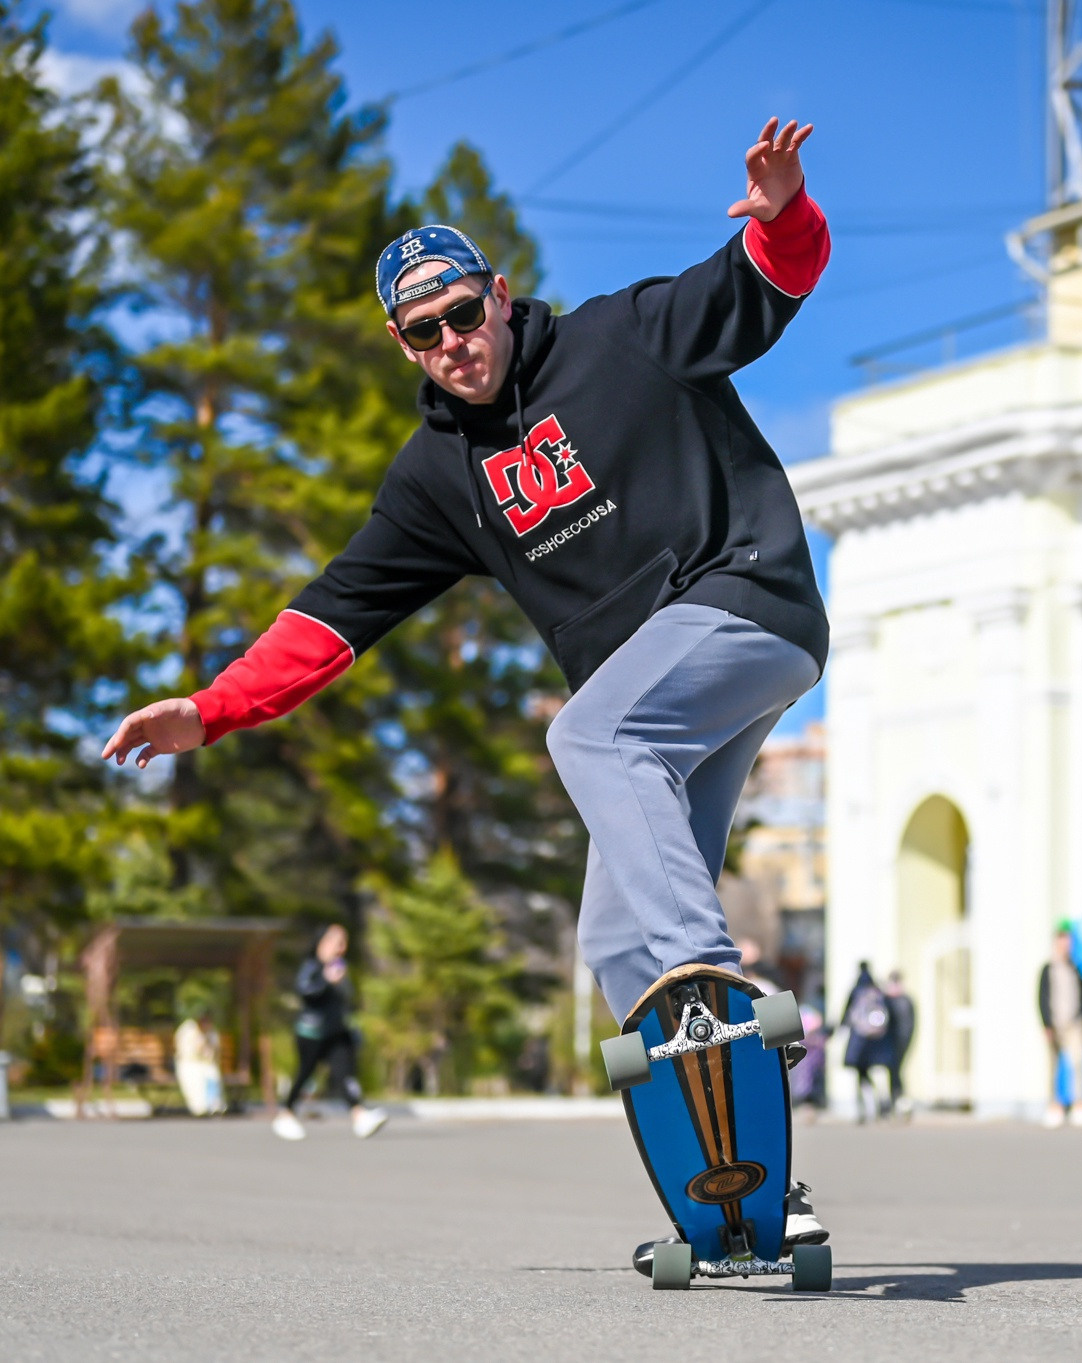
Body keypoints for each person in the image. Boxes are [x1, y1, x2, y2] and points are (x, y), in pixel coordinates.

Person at [103, 118, 833, 1267]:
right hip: (659, 707)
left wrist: (783, 215)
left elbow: (753, 291)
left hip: (749, 604)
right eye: (422, 332)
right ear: (404, 347)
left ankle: (710, 992)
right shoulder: (437, 477)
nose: (453, 343)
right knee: (609, 933)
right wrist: (212, 709)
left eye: (461, 313)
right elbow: (336, 611)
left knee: (591, 736)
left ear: (500, 294)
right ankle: (744, 1193)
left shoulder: (621, 336)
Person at [275, 925, 386, 1141]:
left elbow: (347, 1001)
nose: (341, 948)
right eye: (337, 942)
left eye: (343, 942)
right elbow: (305, 993)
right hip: (312, 1033)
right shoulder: (312, 967)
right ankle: (286, 1113)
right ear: (323, 943)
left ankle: (359, 1115)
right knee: (305, 1073)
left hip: (337, 1032)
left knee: (345, 1074)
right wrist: (326, 981)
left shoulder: (340, 968)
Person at [1037, 926, 1082, 1128]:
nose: (1066, 947)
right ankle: (1054, 1105)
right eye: (1063, 942)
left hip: (1074, 1024)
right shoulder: (1048, 969)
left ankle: (1079, 1105)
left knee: (1078, 1062)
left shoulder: (1075, 969)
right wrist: (1046, 1024)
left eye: (1068, 943)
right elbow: (1041, 998)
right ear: (1056, 943)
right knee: (1053, 1066)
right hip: (1055, 1023)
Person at [841, 961, 897, 1122]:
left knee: (861, 1075)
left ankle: (863, 1109)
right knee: (879, 1072)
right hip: (878, 1039)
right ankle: (884, 1106)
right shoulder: (878, 990)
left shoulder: (857, 990)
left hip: (860, 1040)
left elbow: (846, 1013)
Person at [174, 1008, 226, 1117]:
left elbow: (213, 1051)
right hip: (189, 1064)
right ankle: (200, 1107)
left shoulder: (212, 1033)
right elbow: (185, 1051)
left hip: (206, 1064)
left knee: (213, 1075)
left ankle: (214, 1105)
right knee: (194, 1081)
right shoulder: (188, 1030)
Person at [883, 969, 917, 1120]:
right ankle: (897, 1103)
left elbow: (909, 1025)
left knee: (895, 1072)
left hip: (898, 1042)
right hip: (895, 1042)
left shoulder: (902, 1001)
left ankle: (899, 1103)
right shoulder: (892, 999)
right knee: (894, 1073)